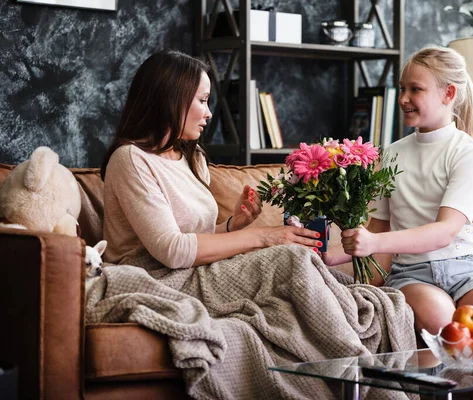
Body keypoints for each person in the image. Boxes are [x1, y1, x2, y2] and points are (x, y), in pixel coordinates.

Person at [322, 45, 473, 339]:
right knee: (444, 326)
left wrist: (374, 240)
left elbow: (444, 232)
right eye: (402, 89)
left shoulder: (468, 153)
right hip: (412, 274)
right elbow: (378, 228)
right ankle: (453, 385)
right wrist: (327, 257)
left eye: (415, 89)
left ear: (448, 94)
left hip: (470, 269)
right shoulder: (391, 154)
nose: (403, 99)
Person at [100, 50, 322, 271]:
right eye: (203, 100)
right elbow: (173, 251)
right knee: (292, 263)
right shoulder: (130, 159)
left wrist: (232, 225)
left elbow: (193, 242)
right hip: (150, 275)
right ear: (171, 99)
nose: (209, 113)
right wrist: (265, 236)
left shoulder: (192, 155)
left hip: (195, 270)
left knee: (300, 260)